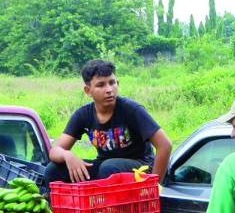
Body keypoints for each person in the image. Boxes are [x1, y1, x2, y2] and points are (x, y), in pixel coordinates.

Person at [44, 59, 173, 183]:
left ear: (118, 83)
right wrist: (68, 155)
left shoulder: (132, 109)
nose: (109, 90)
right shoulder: (83, 115)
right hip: (106, 167)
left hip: (140, 167)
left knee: (109, 168)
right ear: (88, 91)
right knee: (54, 169)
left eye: (112, 83)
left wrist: (155, 185)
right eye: (101, 85)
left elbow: (165, 145)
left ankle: (105, 198)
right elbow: (55, 151)